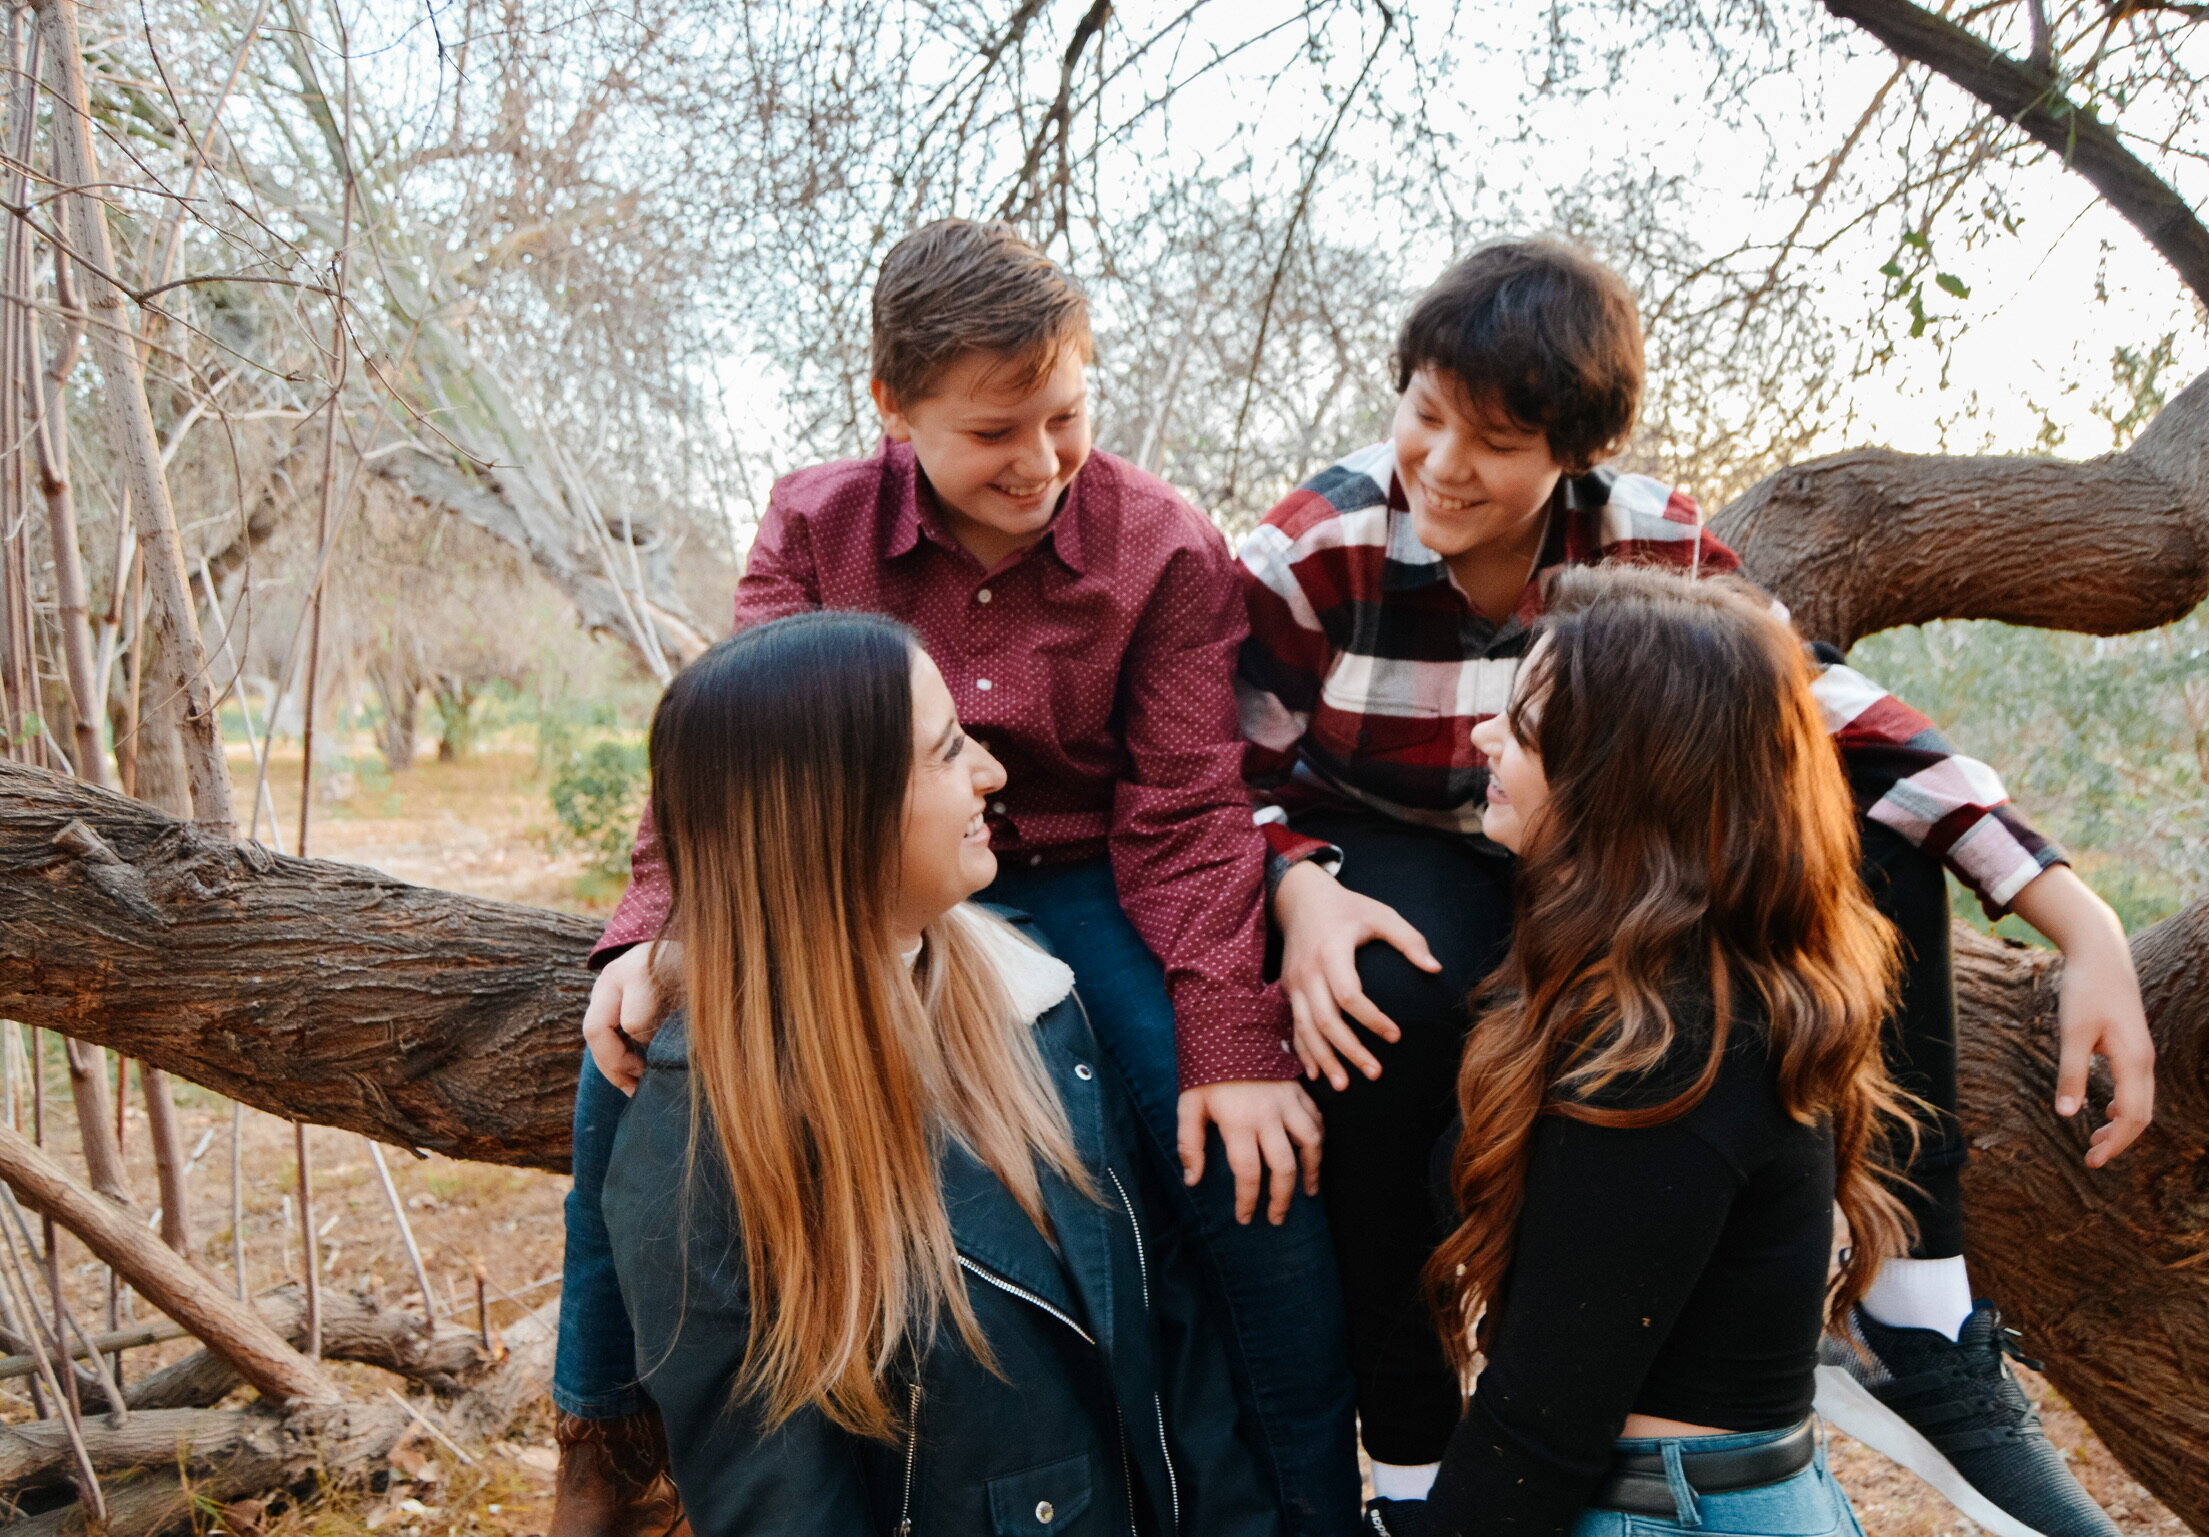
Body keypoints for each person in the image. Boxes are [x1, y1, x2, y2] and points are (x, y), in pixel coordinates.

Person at [1238, 238, 2152, 1536]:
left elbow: (1822, 710)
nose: (1441, 464)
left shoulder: (1645, 537)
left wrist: (2076, 914)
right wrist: (1296, 887)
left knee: (1872, 833)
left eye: (1494, 442)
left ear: (1575, 453)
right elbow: (1203, 766)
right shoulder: (1314, 547)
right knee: (1389, 1000)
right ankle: (1409, 1450)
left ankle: (1916, 1307)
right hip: (1382, 854)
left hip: (1587, 849)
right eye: (1424, 416)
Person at [558, 220, 1358, 1535]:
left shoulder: (1160, 541)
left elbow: (1184, 804)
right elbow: (738, 750)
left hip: (1094, 875)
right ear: (893, 406)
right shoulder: (817, 522)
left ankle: (1309, 1499)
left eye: (1066, 416)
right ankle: (599, 1432)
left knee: (1232, 1149)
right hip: (874, 872)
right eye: (994, 431)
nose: (1039, 461)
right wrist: (665, 922)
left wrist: (1227, 1034)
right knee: (633, 1052)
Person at [601, 611, 1282, 1537]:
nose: (992, 773)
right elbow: (775, 1499)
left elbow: (1170, 1335)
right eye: (949, 748)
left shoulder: (1036, 1004)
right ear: (838, 813)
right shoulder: (704, 1129)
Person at [1365, 565, 1908, 1536]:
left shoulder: (1667, 1062)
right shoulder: (1718, 995)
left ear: (1623, 773)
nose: (1484, 736)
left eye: (1524, 725)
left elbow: (1542, 1425)